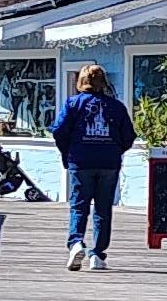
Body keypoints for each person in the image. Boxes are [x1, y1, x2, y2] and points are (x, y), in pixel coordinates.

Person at [53, 62, 132, 273]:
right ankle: (97, 254)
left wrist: (68, 152)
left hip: (81, 161)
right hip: (108, 163)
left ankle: (76, 243)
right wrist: (116, 150)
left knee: (79, 205)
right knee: (103, 209)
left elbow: (59, 130)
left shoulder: (73, 104)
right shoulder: (116, 106)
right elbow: (128, 136)